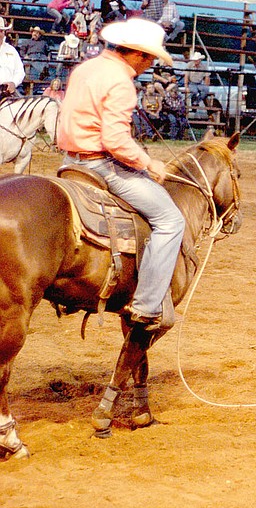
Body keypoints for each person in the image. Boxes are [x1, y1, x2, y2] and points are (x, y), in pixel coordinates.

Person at [58, 18, 184, 329]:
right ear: (138, 54)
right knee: (171, 220)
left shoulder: (85, 68)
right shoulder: (121, 82)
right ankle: (147, 304)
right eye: (151, 57)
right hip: (100, 164)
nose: (151, 63)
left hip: (69, 161)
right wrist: (148, 163)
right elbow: (114, 140)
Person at [0, 17, 25, 98]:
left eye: (1, 31)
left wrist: (14, 83)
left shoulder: (11, 50)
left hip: (7, 93)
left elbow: (20, 71)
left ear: (4, 33)